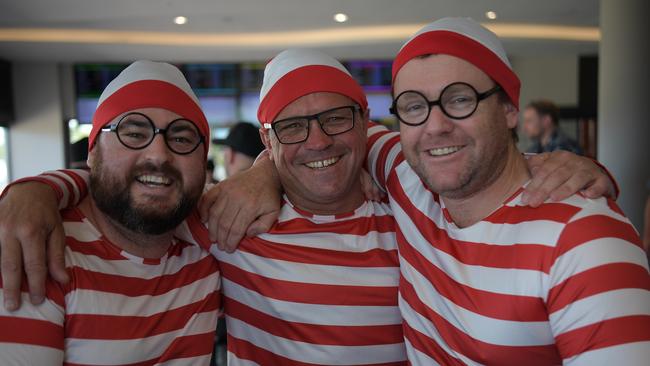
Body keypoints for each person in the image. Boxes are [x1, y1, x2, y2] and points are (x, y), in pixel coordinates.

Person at [0, 50, 620, 364]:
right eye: (293, 127)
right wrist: (35, 191)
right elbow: (138, 194)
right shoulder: (218, 220)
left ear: (364, 123)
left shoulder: (415, 207)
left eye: (334, 118)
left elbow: (457, 163)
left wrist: (582, 171)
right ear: (267, 141)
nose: (317, 140)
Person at [365, 17, 649, 364]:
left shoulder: (586, 238)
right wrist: (274, 169)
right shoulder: (404, 175)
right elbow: (327, 142)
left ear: (510, 109)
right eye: (413, 106)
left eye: (459, 100)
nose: (434, 127)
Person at [0, 60, 221, 364]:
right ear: (93, 152)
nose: (158, 154)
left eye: (182, 139)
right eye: (133, 133)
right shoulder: (36, 249)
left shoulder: (212, 243)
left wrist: (265, 172)